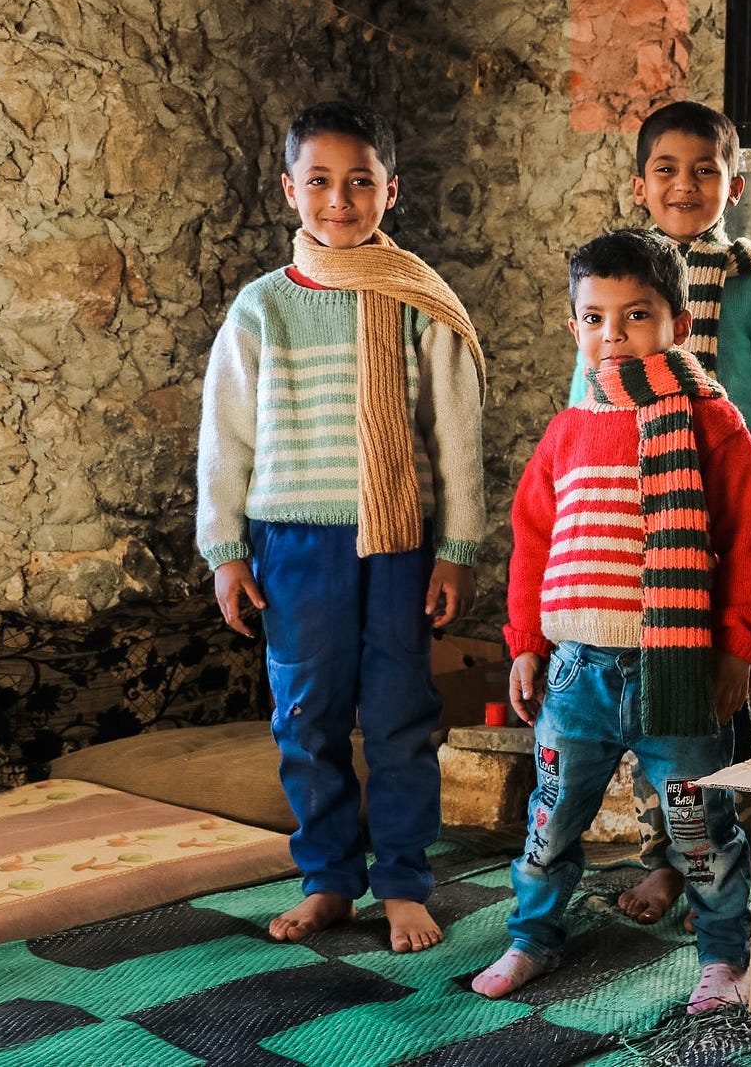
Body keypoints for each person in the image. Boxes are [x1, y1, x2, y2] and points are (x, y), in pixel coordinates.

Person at [196, 100, 486, 954]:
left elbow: (456, 434)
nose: (339, 199)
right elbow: (226, 437)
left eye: (360, 182)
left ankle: (401, 881)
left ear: (390, 192)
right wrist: (226, 552)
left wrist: (459, 549)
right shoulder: (262, 310)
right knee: (306, 715)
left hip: (398, 545)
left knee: (399, 714)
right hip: (292, 544)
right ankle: (327, 879)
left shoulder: (421, 302)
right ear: (290, 190)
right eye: (319, 181)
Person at [473, 228, 751, 1011]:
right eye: (596, 317)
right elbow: (533, 543)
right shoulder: (567, 431)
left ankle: (720, 959)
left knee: (701, 830)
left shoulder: (713, 423)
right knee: (550, 823)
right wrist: (525, 644)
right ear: (574, 325)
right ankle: (531, 939)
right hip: (577, 675)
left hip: (676, 675)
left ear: (677, 322)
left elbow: (750, 541)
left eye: (637, 315)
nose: (615, 335)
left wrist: (739, 648)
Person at [568, 100, 751, 926]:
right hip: (636, 541)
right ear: (640, 186)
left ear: (733, 184)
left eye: (705, 169)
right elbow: (587, 408)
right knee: (656, 713)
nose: (686, 184)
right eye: (667, 170)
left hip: (731, 533)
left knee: (738, 698)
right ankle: (668, 859)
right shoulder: (614, 284)